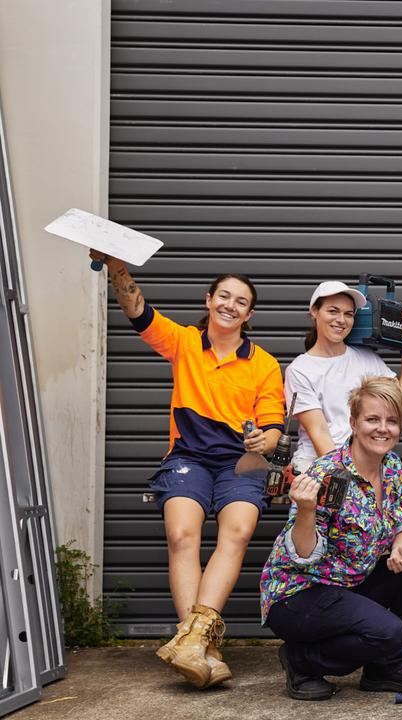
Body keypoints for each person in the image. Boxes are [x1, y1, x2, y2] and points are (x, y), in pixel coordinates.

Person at [92, 251, 284, 689]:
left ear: (249, 313)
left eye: (240, 301)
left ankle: (192, 643)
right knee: (182, 535)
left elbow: (273, 427)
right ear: (208, 300)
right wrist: (117, 267)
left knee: (236, 531)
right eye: (224, 296)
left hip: (241, 461)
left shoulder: (264, 364)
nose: (230, 305)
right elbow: (137, 310)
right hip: (187, 459)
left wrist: (263, 441)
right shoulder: (182, 342)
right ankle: (199, 646)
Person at [261, 377, 402, 701]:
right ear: (353, 422)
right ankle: (300, 661)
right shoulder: (327, 473)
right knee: (390, 632)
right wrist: (305, 510)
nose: (382, 429)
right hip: (301, 593)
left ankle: (386, 667)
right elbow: (303, 553)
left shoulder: (392, 466)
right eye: (373, 419)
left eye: (392, 421)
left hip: (350, 584)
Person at [285, 280, 402, 472]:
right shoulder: (300, 370)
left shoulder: (366, 359)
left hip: (364, 466)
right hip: (319, 467)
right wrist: (350, 482)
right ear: (315, 312)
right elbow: (321, 436)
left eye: (348, 314)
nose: (341, 320)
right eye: (333, 311)